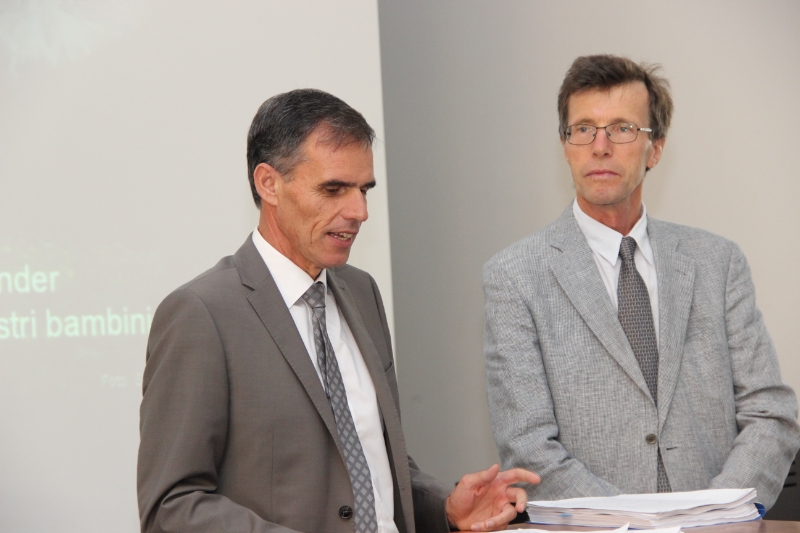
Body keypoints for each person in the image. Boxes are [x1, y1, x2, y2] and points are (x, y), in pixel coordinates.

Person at [137, 88, 539, 533]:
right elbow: (171, 507)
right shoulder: (201, 313)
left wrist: (445, 508)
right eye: (333, 189)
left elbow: (374, 466)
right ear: (268, 183)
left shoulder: (361, 292)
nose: (359, 211)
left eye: (364, 189)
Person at [483, 54, 800, 508]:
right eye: (583, 129)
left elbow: (770, 412)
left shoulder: (718, 262)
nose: (600, 146)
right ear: (565, 145)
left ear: (656, 148)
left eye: (622, 128)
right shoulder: (515, 275)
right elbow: (528, 446)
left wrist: (713, 513)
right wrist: (634, 524)